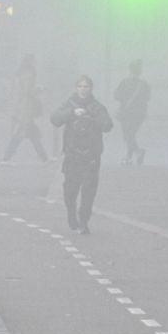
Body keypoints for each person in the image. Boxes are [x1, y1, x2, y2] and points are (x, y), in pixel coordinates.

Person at [51, 75, 113, 233]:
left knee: (89, 190)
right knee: (70, 189)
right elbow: (55, 119)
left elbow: (107, 125)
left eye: (86, 86)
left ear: (91, 89)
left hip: (91, 156)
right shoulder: (68, 104)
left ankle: (84, 220)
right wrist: (72, 113)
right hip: (72, 155)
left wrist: (91, 115)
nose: (83, 89)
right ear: (75, 88)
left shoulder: (97, 106)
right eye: (80, 86)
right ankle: (71, 214)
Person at [1, 54, 48, 162]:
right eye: (34, 61)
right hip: (26, 108)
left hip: (24, 107)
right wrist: (39, 89)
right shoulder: (29, 73)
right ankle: (5, 158)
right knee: (21, 134)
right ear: (30, 62)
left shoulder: (22, 73)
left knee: (33, 135)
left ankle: (44, 158)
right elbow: (27, 91)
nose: (36, 63)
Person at [114, 59, 151, 165]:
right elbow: (147, 98)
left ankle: (136, 153)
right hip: (139, 114)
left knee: (127, 135)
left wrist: (125, 100)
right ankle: (131, 155)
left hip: (126, 113)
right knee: (131, 134)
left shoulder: (125, 82)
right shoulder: (144, 84)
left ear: (130, 70)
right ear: (140, 71)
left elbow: (116, 95)